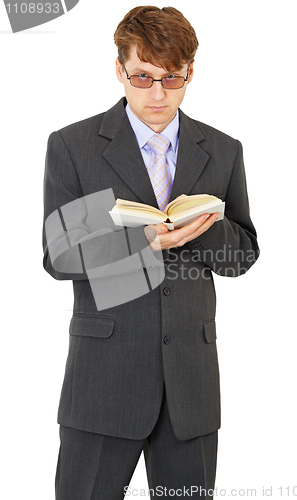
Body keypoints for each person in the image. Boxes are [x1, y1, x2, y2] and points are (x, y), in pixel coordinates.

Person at [43, 5, 259, 499]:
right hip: (103, 383)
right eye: (142, 77)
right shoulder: (74, 146)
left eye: (172, 78)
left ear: (190, 74)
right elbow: (58, 256)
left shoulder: (223, 151)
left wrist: (200, 230)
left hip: (191, 390)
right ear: (119, 69)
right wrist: (142, 240)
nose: (158, 93)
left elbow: (242, 256)